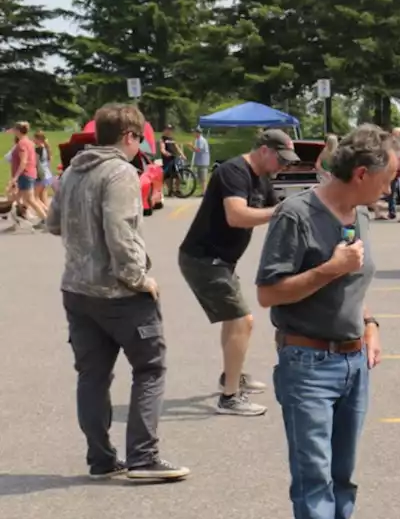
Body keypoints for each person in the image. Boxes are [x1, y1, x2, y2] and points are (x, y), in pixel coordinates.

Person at [255, 123, 393, 519]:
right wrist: (328, 270)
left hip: (354, 360)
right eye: (386, 179)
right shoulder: (296, 216)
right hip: (309, 362)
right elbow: (269, 293)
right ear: (361, 173)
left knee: (342, 474)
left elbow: (356, 283)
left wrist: (370, 323)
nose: (389, 188)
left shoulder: (358, 214)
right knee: (313, 477)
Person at [46, 103, 189, 482]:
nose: (139, 145)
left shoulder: (72, 171)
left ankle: (101, 458)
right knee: (150, 368)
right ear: (128, 136)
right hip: (119, 293)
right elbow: (121, 233)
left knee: (92, 375)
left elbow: (53, 223)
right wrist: (140, 279)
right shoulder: (121, 173)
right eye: (139, 138)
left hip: (77, 289)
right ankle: (143, 457)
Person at [177, 129, 294, 416]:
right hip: (204, 259)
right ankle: (230, 397)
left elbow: (276, 208)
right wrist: (281, 211)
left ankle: (230, 374)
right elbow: (237, 215)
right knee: (243, 320)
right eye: (281, 159)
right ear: (265, 150)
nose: (283, 166)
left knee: (235, 321)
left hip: (221, 261)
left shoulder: (261, 177)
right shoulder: (234, 171)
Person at [7, 122, 48, 226]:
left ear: (18, 130)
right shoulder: (29, 142)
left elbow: (24, 161)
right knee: (15, 196)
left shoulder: (22, 144)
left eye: (15, 129)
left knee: (29, 199)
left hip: (25, 174)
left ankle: (47, 220)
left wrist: (15, 177)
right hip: (28, 173)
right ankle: (19, 218)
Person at [33, 130, 55, 207]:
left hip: (41, 174)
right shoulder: (46, 148)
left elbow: (35, 163)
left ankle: (44, 213)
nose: (33, 140)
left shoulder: (38, 149)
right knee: (43, 196)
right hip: (47, 174)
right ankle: (47, 213)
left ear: (38, 139)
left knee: (35, 197)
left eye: (34, 138)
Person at [190, 127, 211, 193]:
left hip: (203, 162)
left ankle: (205, 192)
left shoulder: (201, 140)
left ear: (197, 133)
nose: (193, 133)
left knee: (203, 178)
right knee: (200, 178)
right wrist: (190, 147)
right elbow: (195, 150)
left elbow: (199, 150)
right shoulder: (197, 140)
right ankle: (203, 191)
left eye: (194, 132)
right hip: (200, 162)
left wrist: (191, 146)